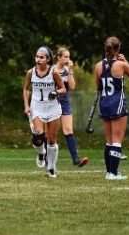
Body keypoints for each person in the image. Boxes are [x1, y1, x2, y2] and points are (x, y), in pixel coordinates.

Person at [94, 36, 129, 180]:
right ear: (118, 49)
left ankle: (109, 172)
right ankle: (113, 173)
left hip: (104, 102)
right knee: (117, 140)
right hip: (117, 103)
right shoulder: (121, 65)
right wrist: (125, 61)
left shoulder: (98, 66)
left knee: (109, 140)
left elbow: (98, 86)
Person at [24, 47, 67, 178]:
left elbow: (63, 89)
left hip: (53, 108)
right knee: (38, 138)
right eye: (37, 57)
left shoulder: (53, 72)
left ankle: (51, 168)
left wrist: (55, 92)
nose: (38, 59)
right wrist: (26, 106)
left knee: (52, 140)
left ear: (48, 59)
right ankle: (41, 153)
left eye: (41, 57)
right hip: (36, 107)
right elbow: (26, 89)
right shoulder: (30, 73)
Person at [54, 47, 88, 167]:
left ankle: (75, 159)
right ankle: (47, 159)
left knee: (68, 130)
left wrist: (70, 71)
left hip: (64, 103)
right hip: (52, 103)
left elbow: (72, 87)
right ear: (58, 57)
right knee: (51, 134)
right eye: (65, 57)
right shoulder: (52, 70)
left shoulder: (67, 70)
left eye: (69, 57)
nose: (68, 59)